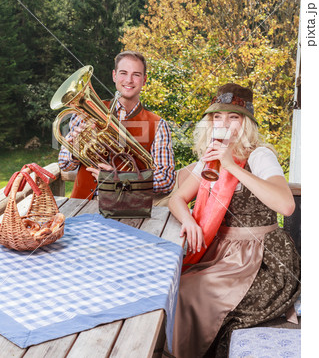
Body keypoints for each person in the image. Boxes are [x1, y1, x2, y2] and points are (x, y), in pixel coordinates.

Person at [168, 83, 301, 358]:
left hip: (259, 256)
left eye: (233, 117)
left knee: (189, 293)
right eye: (218, 117)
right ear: (210, 123)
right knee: (170, 285)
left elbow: (287, 205)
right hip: (221, 252)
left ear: (246, 123)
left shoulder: (259, 155)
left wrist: (231, 166)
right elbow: (176, 200)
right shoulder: (210, 157)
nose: (225, 124)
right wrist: (189, 221)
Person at [58, 50, 176, 205]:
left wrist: (121, 180)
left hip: (129, 209)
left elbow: (166, 180)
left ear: (144, 80)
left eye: (136, 74)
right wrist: (75, 148)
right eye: (123, 73)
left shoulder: (158, 125)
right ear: (114, 76)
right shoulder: (85, 113)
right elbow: (65, 165)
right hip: (82, 204)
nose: (129, 80)